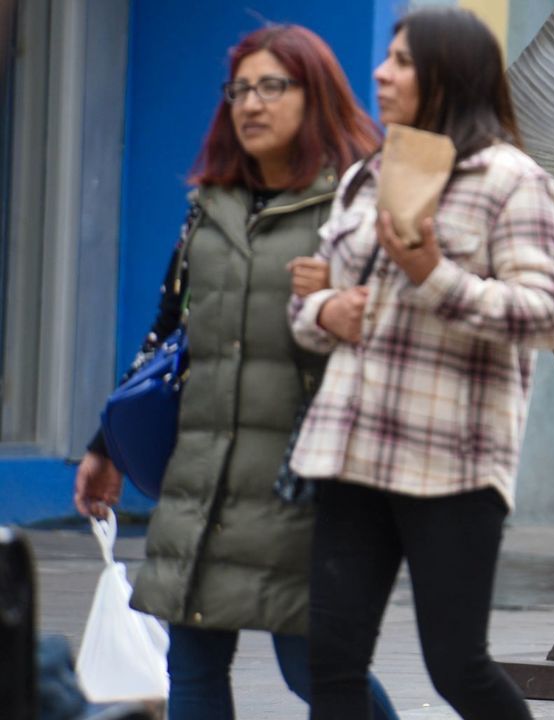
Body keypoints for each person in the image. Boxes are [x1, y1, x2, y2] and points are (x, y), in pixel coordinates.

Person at [72, 25, 396, 720]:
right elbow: (166, 332)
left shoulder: (354, 209)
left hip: (302, 485)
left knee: (316, 672)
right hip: (202, 479)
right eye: (240, 89)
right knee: (191, 668)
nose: (251, 104)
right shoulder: (209, 209)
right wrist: (108, 444)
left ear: (316, 97)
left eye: (272, 86)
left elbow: (397, 340)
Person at [285, 7, 554, 720]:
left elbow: (548, 314)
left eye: (404, 61)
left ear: (451, 74)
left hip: (452, 463)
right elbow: (312, 303)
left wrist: (433, 275)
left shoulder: (513, 180)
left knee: (456, 668)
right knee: (332, 663)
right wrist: (325, 313)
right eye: (388, 57)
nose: (381, 73)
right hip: (348, 451)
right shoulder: (364, 176)